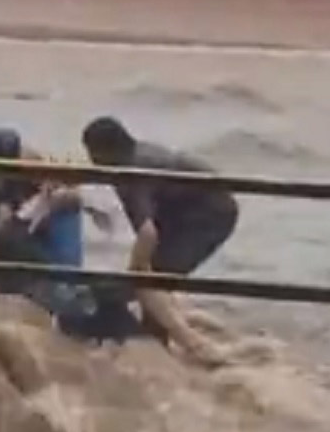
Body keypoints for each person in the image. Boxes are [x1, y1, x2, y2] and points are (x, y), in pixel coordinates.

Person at [0, 117, 148, 343]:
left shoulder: (3, 147)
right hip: (25, 224)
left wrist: (34, 202)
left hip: (46, 211)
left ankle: (78, 300)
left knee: (48, 257)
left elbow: (49, 182)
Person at [81, 116, 236, 366]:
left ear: (104, 152)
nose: (92, 163)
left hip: (208, 216)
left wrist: (137, 268)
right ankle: (160, 332)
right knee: (153, 273)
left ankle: (166, 346)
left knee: (157, 274)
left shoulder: (131, 173)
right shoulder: (138, 153)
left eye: (91, 155)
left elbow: (147, 232)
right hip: (191, 206)